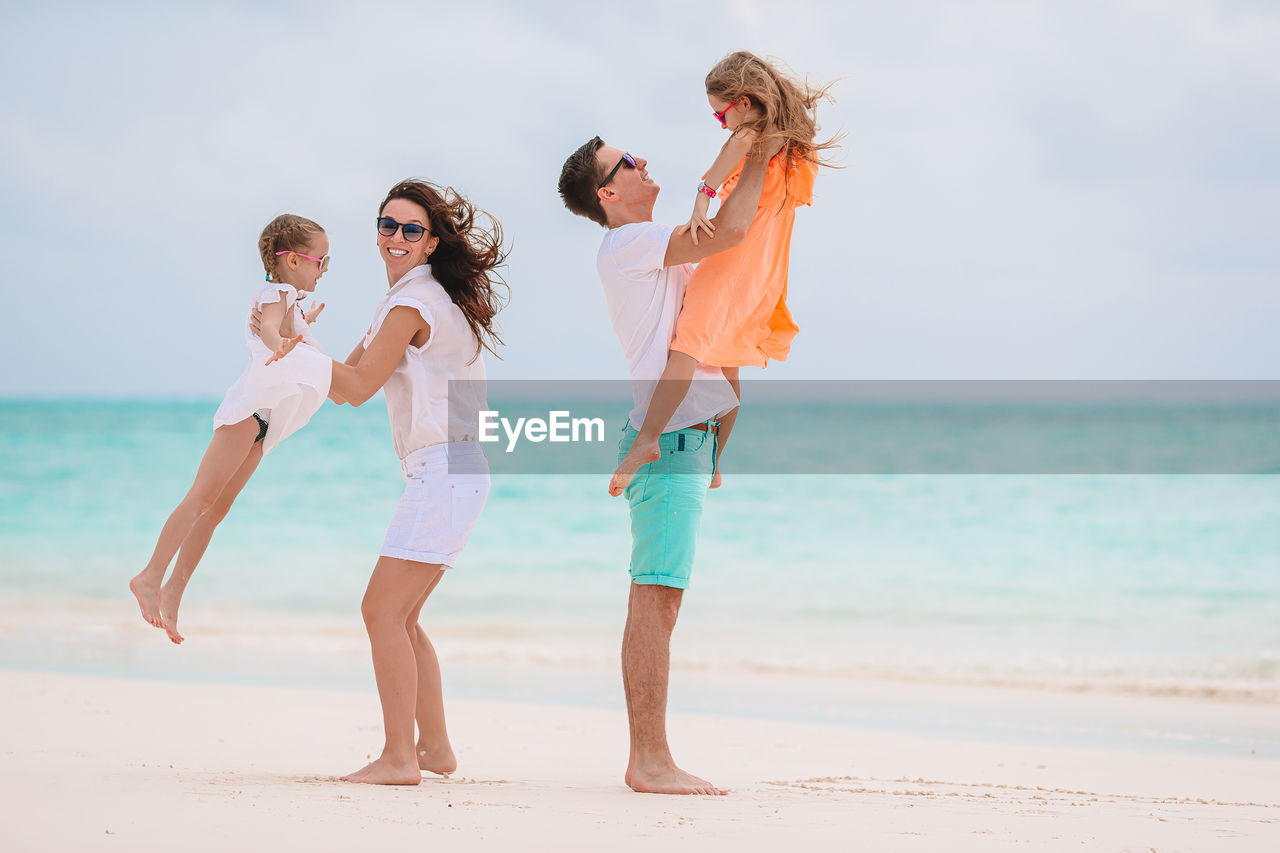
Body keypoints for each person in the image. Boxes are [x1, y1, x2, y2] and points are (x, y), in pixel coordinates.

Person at [558, 133, 780, 794]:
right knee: (656, 598)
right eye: (627, 163)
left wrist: (719, 444)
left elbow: (714, 318)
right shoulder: (629, 244)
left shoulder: (654, 252)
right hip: (670, 439)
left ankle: (650, 756)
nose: (644, 163)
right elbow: (727, 230)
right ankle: (649, 759)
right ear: (607, 193)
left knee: (661, 596)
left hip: (690, 438)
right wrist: (758, 156)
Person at [305, 180, 507, 785]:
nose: (395, 237)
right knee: (402, 616)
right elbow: (344, 384)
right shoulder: (417, 298)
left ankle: (398, 759)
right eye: (387, 225)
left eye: (411, 230)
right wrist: (297, 342)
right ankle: (434, 749)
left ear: (431, 242)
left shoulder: (412, 304)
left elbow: (355, 387)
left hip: (446, 469)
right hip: (454, 468)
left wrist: (287, 343)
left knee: (381, 613)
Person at [609, 50, 837, 496]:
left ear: (746, 103)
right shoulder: (794, 146)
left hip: (735, 259)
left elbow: (723, 165)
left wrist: (701, 199)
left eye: (720, 115)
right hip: (766, 267)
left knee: (689, 343)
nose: (722, 124)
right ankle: (715, 459)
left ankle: (649, 439)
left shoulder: (752, 133)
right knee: (728, 361)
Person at [129, 214, 331, 644]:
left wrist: (304, 322)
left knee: (216, 511)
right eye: (321, 261)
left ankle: (173, 590)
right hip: (249, 410)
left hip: (266, 419)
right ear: (294, 260)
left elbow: (287, 329)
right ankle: (150, 576)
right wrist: (282, 345)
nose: (323, 270)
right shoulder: (275, 292)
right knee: (200, 497)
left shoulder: (288, 297)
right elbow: (272, 332)